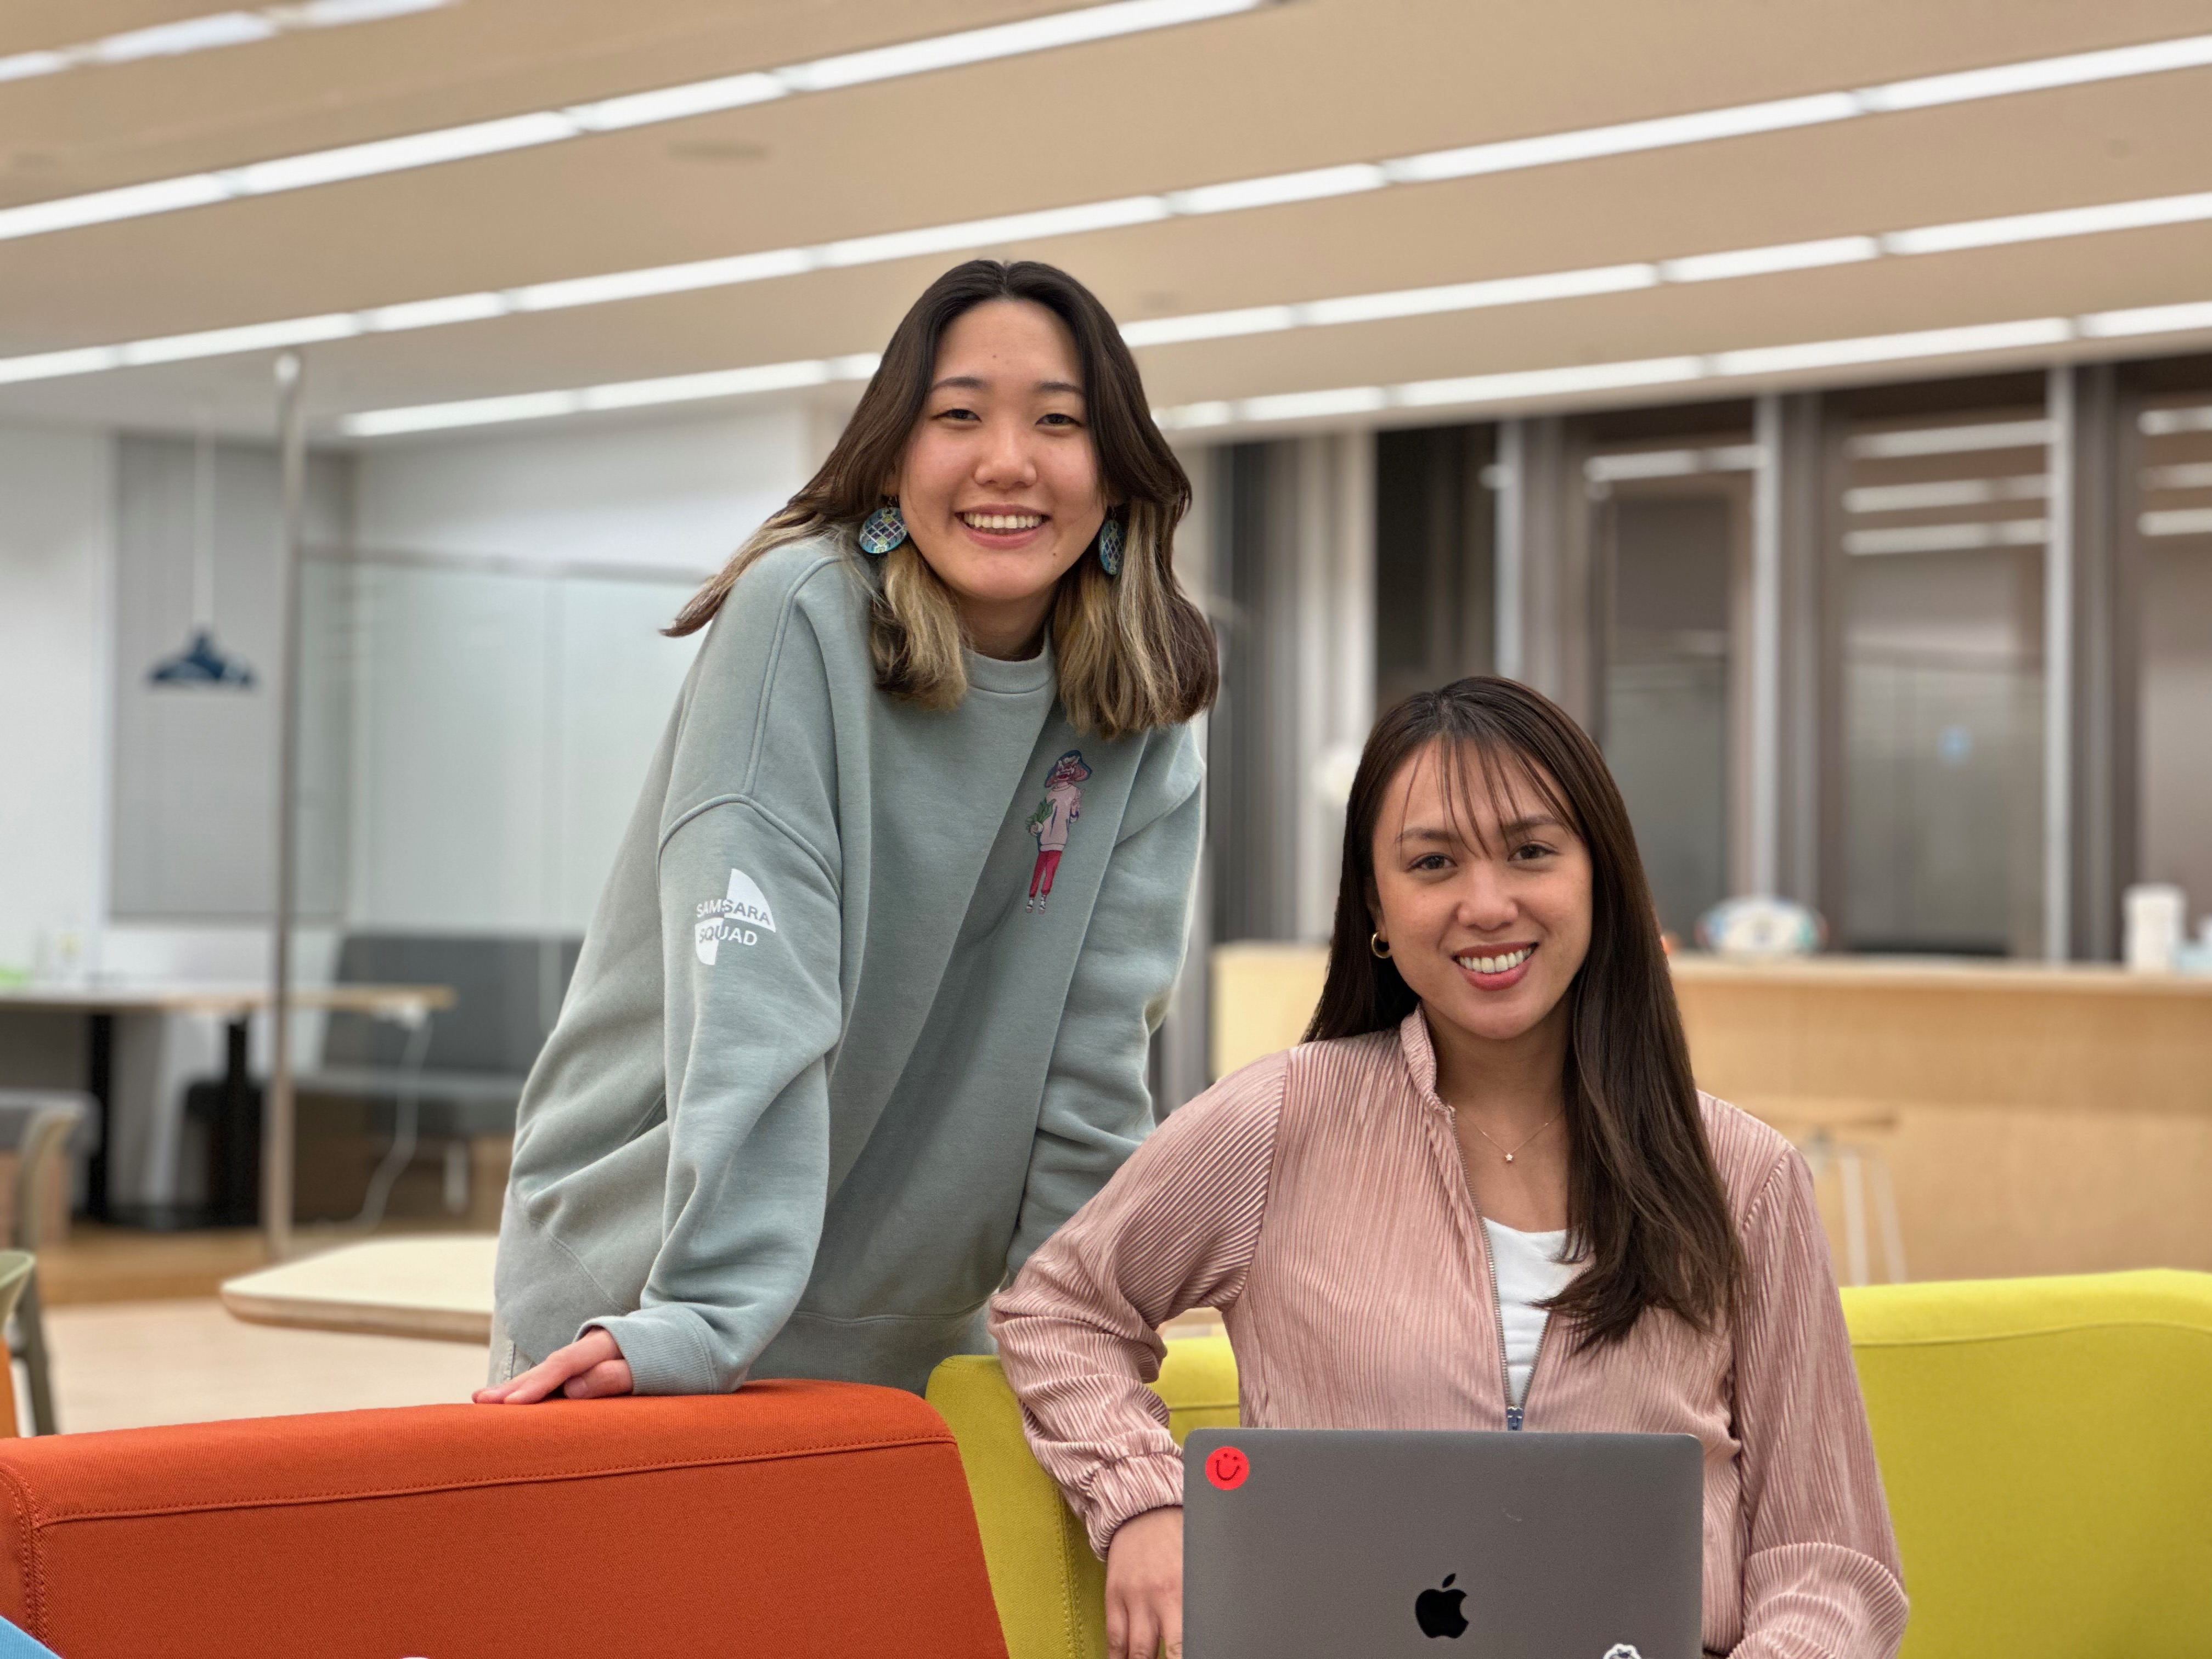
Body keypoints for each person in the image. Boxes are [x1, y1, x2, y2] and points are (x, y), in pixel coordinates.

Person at [991, 678, 1907, 1659]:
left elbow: (1829, 1558)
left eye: (1531, 851)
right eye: (1433, 862)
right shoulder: (1276, 1119)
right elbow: (1061, 1310)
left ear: (1600, 876)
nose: (1487, 904)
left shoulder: (1744, 1177)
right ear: (1378, 905)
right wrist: (1142, 1502)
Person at [478, 258, 1216, 1406]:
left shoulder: (1140, 702)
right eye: (957, 415)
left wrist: (1073, 1338)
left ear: (1117, 472)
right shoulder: (801, 618)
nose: (1007, 461)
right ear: (890, 457)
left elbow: (1092, 1070)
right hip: (645, 1303)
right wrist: (703, 1317)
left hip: (912, 1340)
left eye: (1058, 423)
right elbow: (754, 1003)